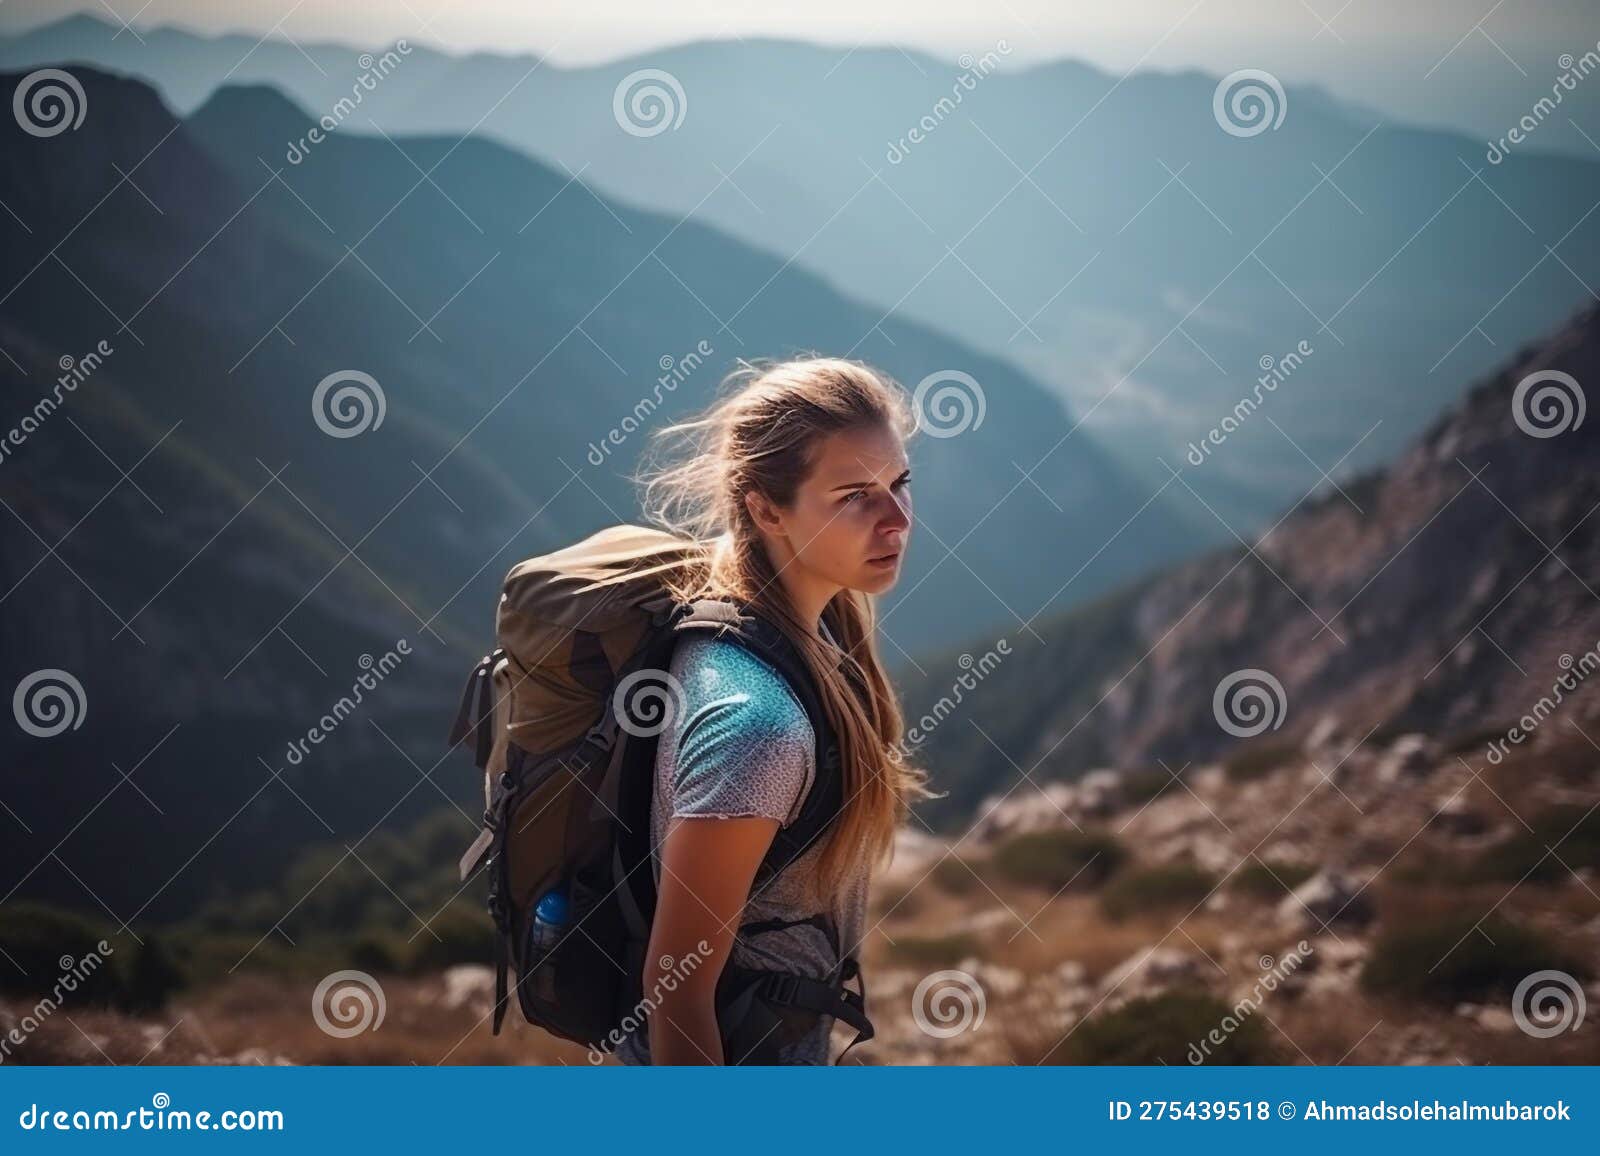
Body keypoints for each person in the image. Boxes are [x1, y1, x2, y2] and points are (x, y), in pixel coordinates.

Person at [613, 357, 929, 1065]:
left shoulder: (807, 624)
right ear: (765, 510)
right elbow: (675, 992)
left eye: (900, 483)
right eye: (855, 497)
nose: (897, 520)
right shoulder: (758, 728)